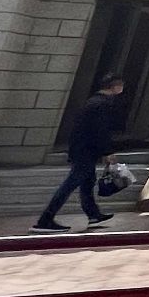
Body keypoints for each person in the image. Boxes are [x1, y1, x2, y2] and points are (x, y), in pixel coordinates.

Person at [34, 74, 125, 233]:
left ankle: (93, 215)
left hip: (82, 149)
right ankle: (45, 219)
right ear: (114, 86)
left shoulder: (93, 102)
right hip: (86, 151)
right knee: (70, 184)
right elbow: (100, 131)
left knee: (87, 183)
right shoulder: (101, 104)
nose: (121, 88)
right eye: (120, 85)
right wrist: (107, 151)